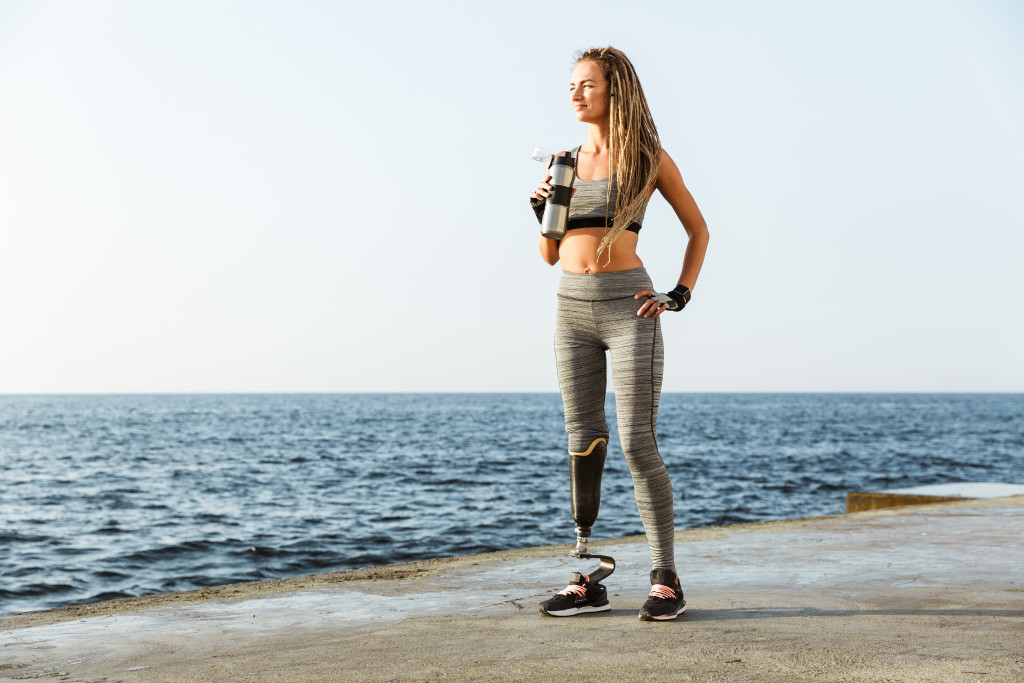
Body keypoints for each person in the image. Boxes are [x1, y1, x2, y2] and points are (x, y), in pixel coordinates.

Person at [529, 47, 709, 621]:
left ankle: (665, 579)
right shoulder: (562, 162)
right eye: (572, 86)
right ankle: (588, 576)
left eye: (588, 85)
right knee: (583, 442)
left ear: (615, 90)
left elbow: (698, 229)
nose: (576, 94)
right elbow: (550, 255)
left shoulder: (646, 158)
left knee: (636, 442)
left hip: (630, 307)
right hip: (572, 310)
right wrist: (543, 215)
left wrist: (677, 295)